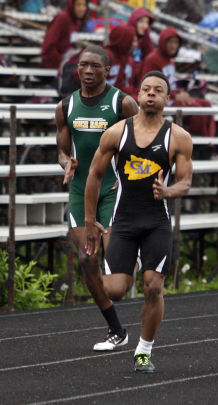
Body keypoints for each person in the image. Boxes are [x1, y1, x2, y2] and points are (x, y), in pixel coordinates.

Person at [84, 71, 193, 373]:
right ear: (139, 93)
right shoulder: (116, 133)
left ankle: (143, 351)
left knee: (153, 288)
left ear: (167, 98)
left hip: (157, 221)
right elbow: (94, 175)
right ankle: (128, 265)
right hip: (124, 220)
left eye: (158, 90)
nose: (151, 94)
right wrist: (91, 220)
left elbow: (185, 182)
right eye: (146, 89)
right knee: (115, 289)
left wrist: (168, 190)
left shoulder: (179, 137)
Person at [55, 45, 139, 351]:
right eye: (83, 66)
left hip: (114, 190)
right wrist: (67, 163)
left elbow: (146, 142)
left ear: (107, 70)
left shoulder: (123, 103)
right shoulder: (66, 106)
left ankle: (133, 257)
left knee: (115, 276)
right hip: (81, 191)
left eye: (94, 66)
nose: (88, 71)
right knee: (87, 259)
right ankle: (116, 330)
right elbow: (62, 150)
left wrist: (131, 176)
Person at [142, 26, 216, 137]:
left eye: (176, 42)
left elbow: (171, 83)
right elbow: (150, 86)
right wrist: (175, 94)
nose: (173, 45)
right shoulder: (153, 59)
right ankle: (196, 145)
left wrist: (180, 92)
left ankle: (210, 144)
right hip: (163, 101)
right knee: (196, 109)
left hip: (172, 96)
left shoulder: (170, 61)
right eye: (170, 42)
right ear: (163, 42)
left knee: (207, 104)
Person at [41, 0, 89, 69]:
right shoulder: (63, 18)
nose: (82, 9)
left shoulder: (75, 21)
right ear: (72, 5)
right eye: (78, 5)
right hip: (58, 63)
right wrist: (61, 61)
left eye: (84, 5)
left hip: (68, 62)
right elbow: (49, 45)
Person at [104, 24, 139, 100]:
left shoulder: (128, 59)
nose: (136, 45)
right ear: (123, 40)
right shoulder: (106, 56)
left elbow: (124, 86)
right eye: (131, 41)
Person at [126, 7, 155, 83]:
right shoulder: (124, 37)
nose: (145, 26)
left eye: (147, 22)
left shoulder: (146, 39)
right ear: (134, 21)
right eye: (141, 21)